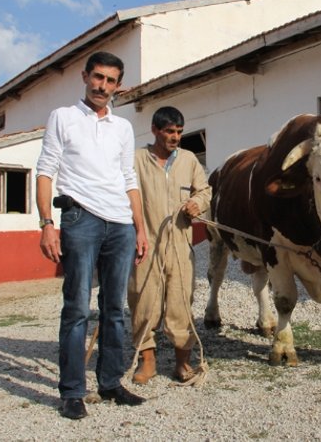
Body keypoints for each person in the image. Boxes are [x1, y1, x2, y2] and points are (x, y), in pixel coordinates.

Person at [36, 51, 149, 419]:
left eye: (111, 80)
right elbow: (45, 171)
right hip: (79, 219)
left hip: (120, 225)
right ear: (85, 76)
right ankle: (72, 392)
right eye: (97, 77)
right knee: (76, 309)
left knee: (115, 309)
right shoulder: (63, 118)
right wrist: (46, 224)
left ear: (119, 85)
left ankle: (111, 382)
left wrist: (140, 225)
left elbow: (128, 179)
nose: (103, 86)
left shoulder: (123, 127)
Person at [128, 106, 211, 385]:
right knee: (143, 301)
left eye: (179, 131)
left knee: (181, 302)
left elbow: (205, 190)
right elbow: (124, 192)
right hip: (145, 242)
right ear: (154, 130)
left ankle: (182, 363)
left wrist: (196, 203)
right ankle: (147, 361)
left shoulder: (188, 160)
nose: (175, 136)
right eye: (169, 131)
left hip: (180, 244)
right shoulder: (136, 159)